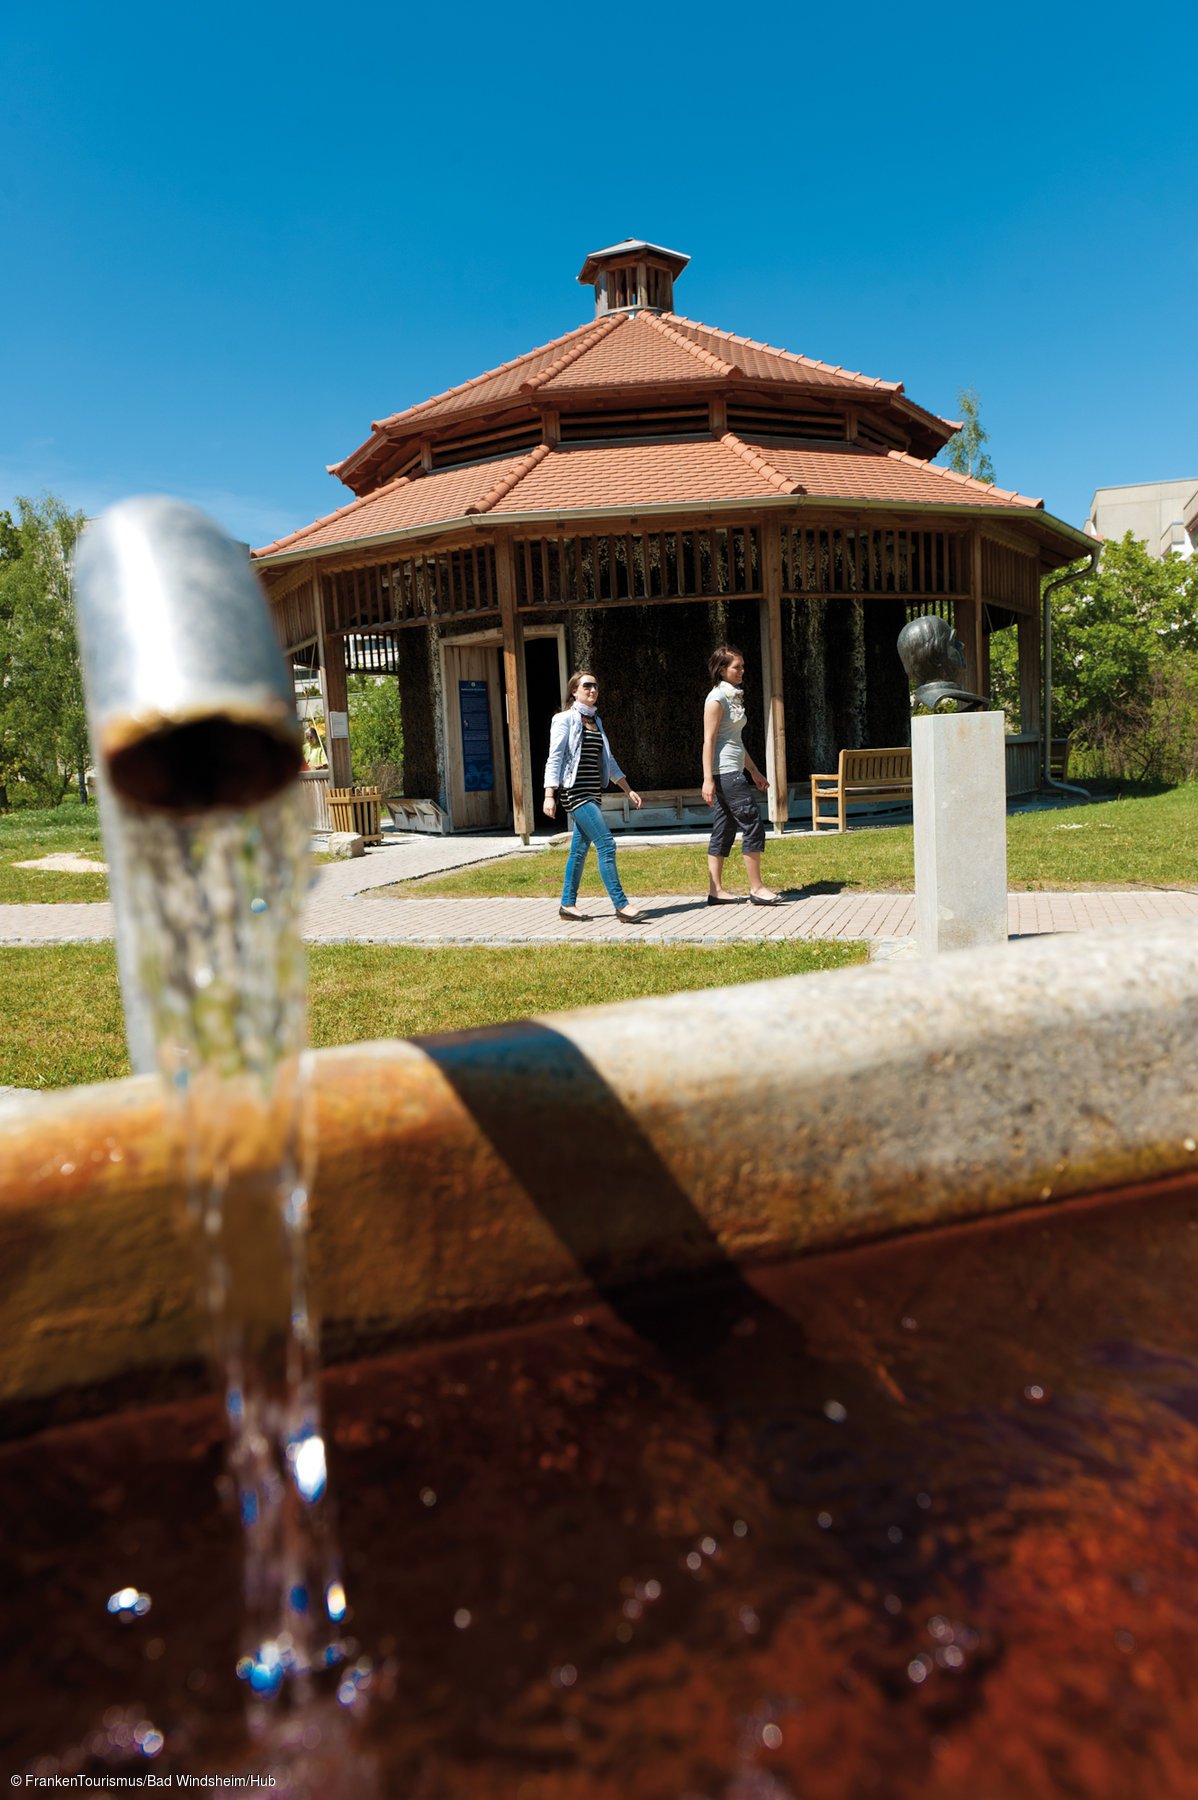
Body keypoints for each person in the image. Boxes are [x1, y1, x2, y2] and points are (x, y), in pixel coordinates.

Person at [543, 671, 645, 923]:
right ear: (574, 691)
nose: (592, 690)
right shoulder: (564, 719)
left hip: (592, 793)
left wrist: (627, 788)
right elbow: (554, 757)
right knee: (606, 844)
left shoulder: (596, 721)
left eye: (596, 686)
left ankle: (567, 904)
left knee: (578, 851)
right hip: (574, 792)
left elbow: (608, 760)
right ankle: (621, 905)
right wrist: (549, 794)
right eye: (587, 686)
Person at [701, 645, 780, 906]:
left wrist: (755, 771)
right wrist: (707, 779)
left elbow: (735, 741)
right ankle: (757, 888)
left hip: (733, 770)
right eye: (737, 667)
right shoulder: (716, 699)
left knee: (724, 829)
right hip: (724, 772)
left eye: (743, 666)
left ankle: (716, 891)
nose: (742, 671)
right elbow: (708, 741)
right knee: (752, 822)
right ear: (722, 670)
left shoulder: (732, 696)